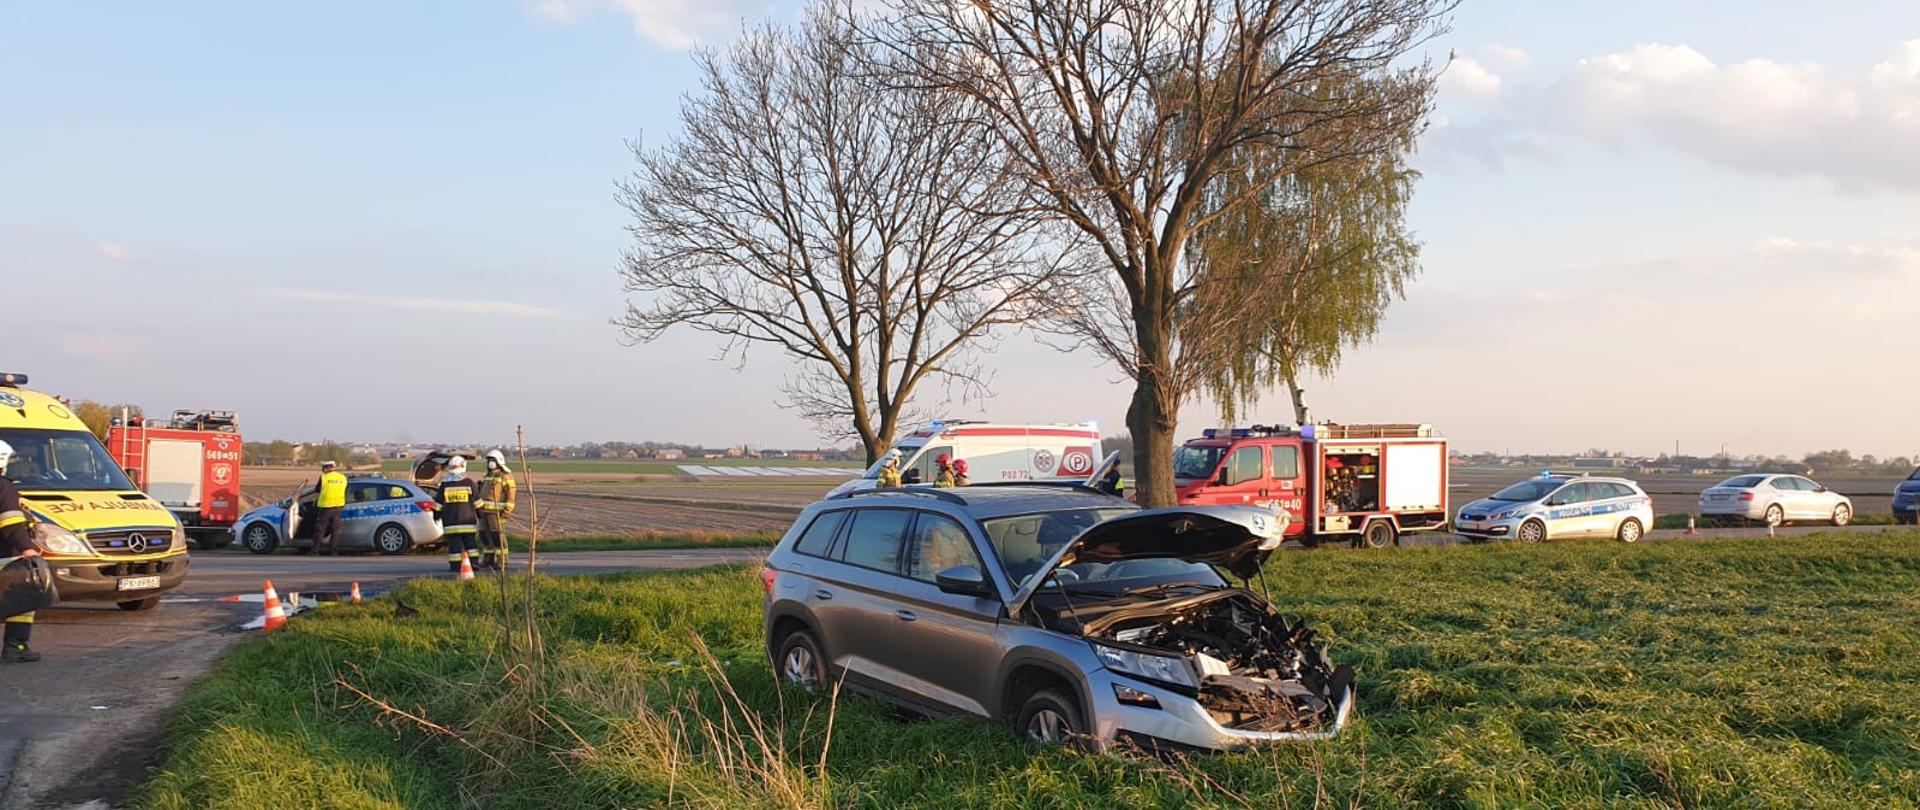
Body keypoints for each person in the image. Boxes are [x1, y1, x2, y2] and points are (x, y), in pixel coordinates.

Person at [0, 440, 42, 663]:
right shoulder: (3, 487)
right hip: (6, 554)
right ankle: (16, 645)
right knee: (24, 598)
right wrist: (28, 548)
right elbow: (11, 524)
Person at [434, 456, 480, 573]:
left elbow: (438, 504)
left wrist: (436, 515)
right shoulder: (469, 483)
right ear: (463, 466)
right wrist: (481, 515)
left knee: (454, 547)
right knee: (471, 545)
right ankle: (474, 563)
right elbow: (478, 503)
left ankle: (455, 567)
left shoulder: (445, 485)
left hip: (451, 523)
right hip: (468, 522)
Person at [474, 450, 517, 571]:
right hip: (484, 512)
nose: (490, 463)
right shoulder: (488, 476)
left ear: (499, 461)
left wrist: (507, 511)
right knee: (483, 535)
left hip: (497, 513)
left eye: (492, 460)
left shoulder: (506, 476)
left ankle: (502, 560)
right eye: (488, 460)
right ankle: (488, 558)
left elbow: (511, 495)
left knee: (497, 536)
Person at [313, 460, 348, 556]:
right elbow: (345, 490)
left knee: (320, 528)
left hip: (326, 506)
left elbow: (317, 490)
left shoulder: (324, 477)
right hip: (338, 506)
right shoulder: (343, 477)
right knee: (335, 530)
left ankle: (315, 551)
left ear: (326, 468)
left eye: (323, 468)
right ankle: (333, 551)